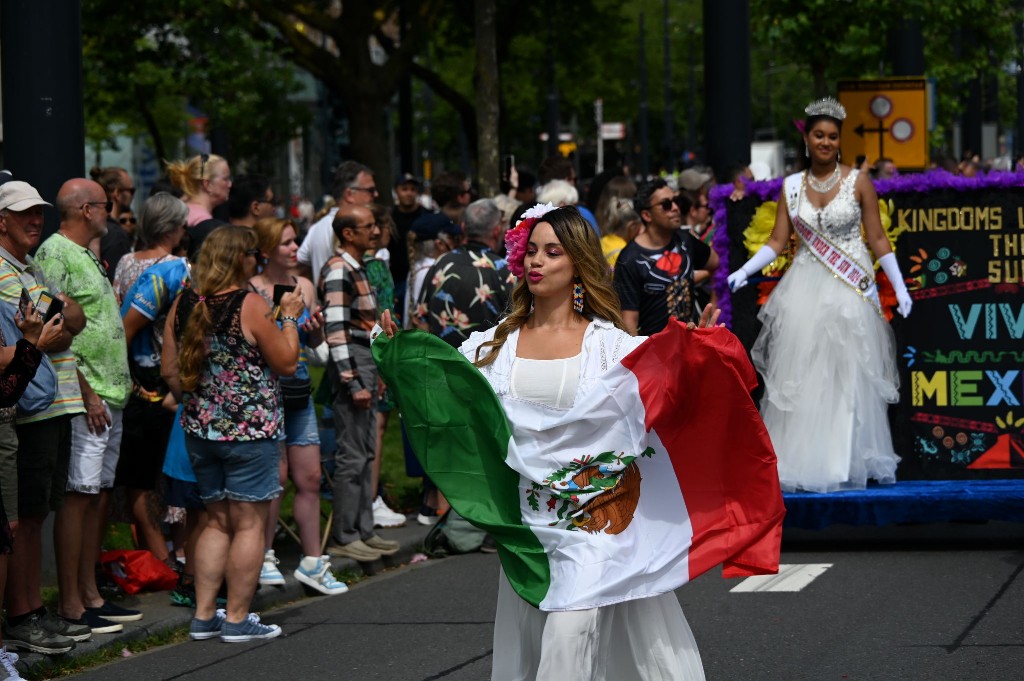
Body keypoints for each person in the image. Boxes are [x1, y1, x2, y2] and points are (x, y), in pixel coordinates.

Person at [378, 204, 721, 679]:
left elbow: (666, 391)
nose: (536, 262)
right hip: (530, 525)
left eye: (552, 252)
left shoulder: (610, 345)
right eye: (531, 251)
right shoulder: (495, 344)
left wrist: (698, 353)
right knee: (538, 644)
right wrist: (399, 355)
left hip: (595, 523)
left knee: (569, 635)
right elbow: (443, 390)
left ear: (577, 263)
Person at [727, 97, 913, 493]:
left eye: (832, 136)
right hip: (804, 288)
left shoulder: (859, 181)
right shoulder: (791, 187)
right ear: (807, 140)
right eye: (818, 135)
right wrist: (744, 270)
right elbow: (778, 241)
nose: (825, 142)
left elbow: (877, 237)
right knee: (805, 375)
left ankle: (841, 462)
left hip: (850, 287)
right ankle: (803, 461)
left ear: (839, 140)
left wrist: (898, 284)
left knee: (847, 374)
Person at [162, 225, 302, 642]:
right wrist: (290, 318)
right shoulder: (249, 304)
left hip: (200, 431)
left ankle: (205, 616)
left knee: (216, 523)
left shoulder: (185, 303)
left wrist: (195, 402)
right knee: (248, 526)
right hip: (249, 433)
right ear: (238, 258)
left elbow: (170, 370)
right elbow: (287, 362)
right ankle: (238, 619)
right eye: (253, 256)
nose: (258, 262)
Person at [35, 179, 136, 636]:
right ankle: (72, 602)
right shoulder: (55, 253)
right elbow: (54, 329)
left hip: (110, 393)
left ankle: (91, 591)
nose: (111, 210)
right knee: (79, 495)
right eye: (105, 204)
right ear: (86, 209)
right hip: (86, 396)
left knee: (96, 496)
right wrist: (87, 393)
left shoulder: (87, 252)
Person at [0, 181, 88, 655]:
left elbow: (72, 323)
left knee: (34, 516)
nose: (35, 220)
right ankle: (22, 615)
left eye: (38, 212)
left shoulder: (30, 266)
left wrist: (47, 329)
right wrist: (42, 335)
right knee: (22, 520)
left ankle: (32, 610)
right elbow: (37, 337)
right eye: (23, 214)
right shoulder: (1, 271)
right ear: (0, 221)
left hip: (52, 401)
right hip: (27, 407)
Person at [248, 217, 347, 595]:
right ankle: (265, 556)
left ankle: (312, 562)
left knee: (309, 477)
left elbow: (315, 347)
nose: (294, 249)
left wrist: (313, 330)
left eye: (295, 242)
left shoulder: (304, 285)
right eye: (287, 243)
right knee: (277, 478)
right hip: (267, 393)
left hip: (299, 389)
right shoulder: (253, 290)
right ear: (267, 248)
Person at [319, 206, 400, 562]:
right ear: (348, 234)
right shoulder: (339, 270)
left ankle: (364, 529)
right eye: (368, 226)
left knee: (366, 452)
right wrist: (354, 382)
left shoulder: (358, 267)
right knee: (352, 455)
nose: (376, 231)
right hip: (352, 363)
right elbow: (336, 333)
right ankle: (345, 533)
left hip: (365, 361)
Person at [114, 193, 189, 568]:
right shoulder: (177, 268)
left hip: (130, 380)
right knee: (168, 474)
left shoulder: (125, 263)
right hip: (165, 380)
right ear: (174, 227)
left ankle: (157, 558)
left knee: (139, 476)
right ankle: (172, 559)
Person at [613, 178, 718, 335]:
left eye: (676, 201)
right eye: (666, 205)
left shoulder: (686, 240)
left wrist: (712, 310)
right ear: (647, 215)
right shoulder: (629, 259)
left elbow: (718, 264)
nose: (675, 208)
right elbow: (629, 323)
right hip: (655, 352)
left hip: (692, 345)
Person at [297, 161, 377, 288]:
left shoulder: (316, 228)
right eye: (370, 190)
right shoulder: (358, 228)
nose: (376, 195)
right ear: (349, 194)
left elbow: (300, 263)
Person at [112, 192, 188, 303]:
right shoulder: (176, 266)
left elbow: (116, 302)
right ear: (169, 229)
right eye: (183, 225)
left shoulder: (126, 260)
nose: (184, 231)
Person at [165, 153, 232, 260]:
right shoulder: (203, 223)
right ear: (207, 184)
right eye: (225, 179)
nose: (230, 184)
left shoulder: (177, 209)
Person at [90, 166, 136, 281]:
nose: (132, 196)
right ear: (117, 193)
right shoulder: (116, 235)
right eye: (131, 191)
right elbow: (119, 282)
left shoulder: (93, 228)